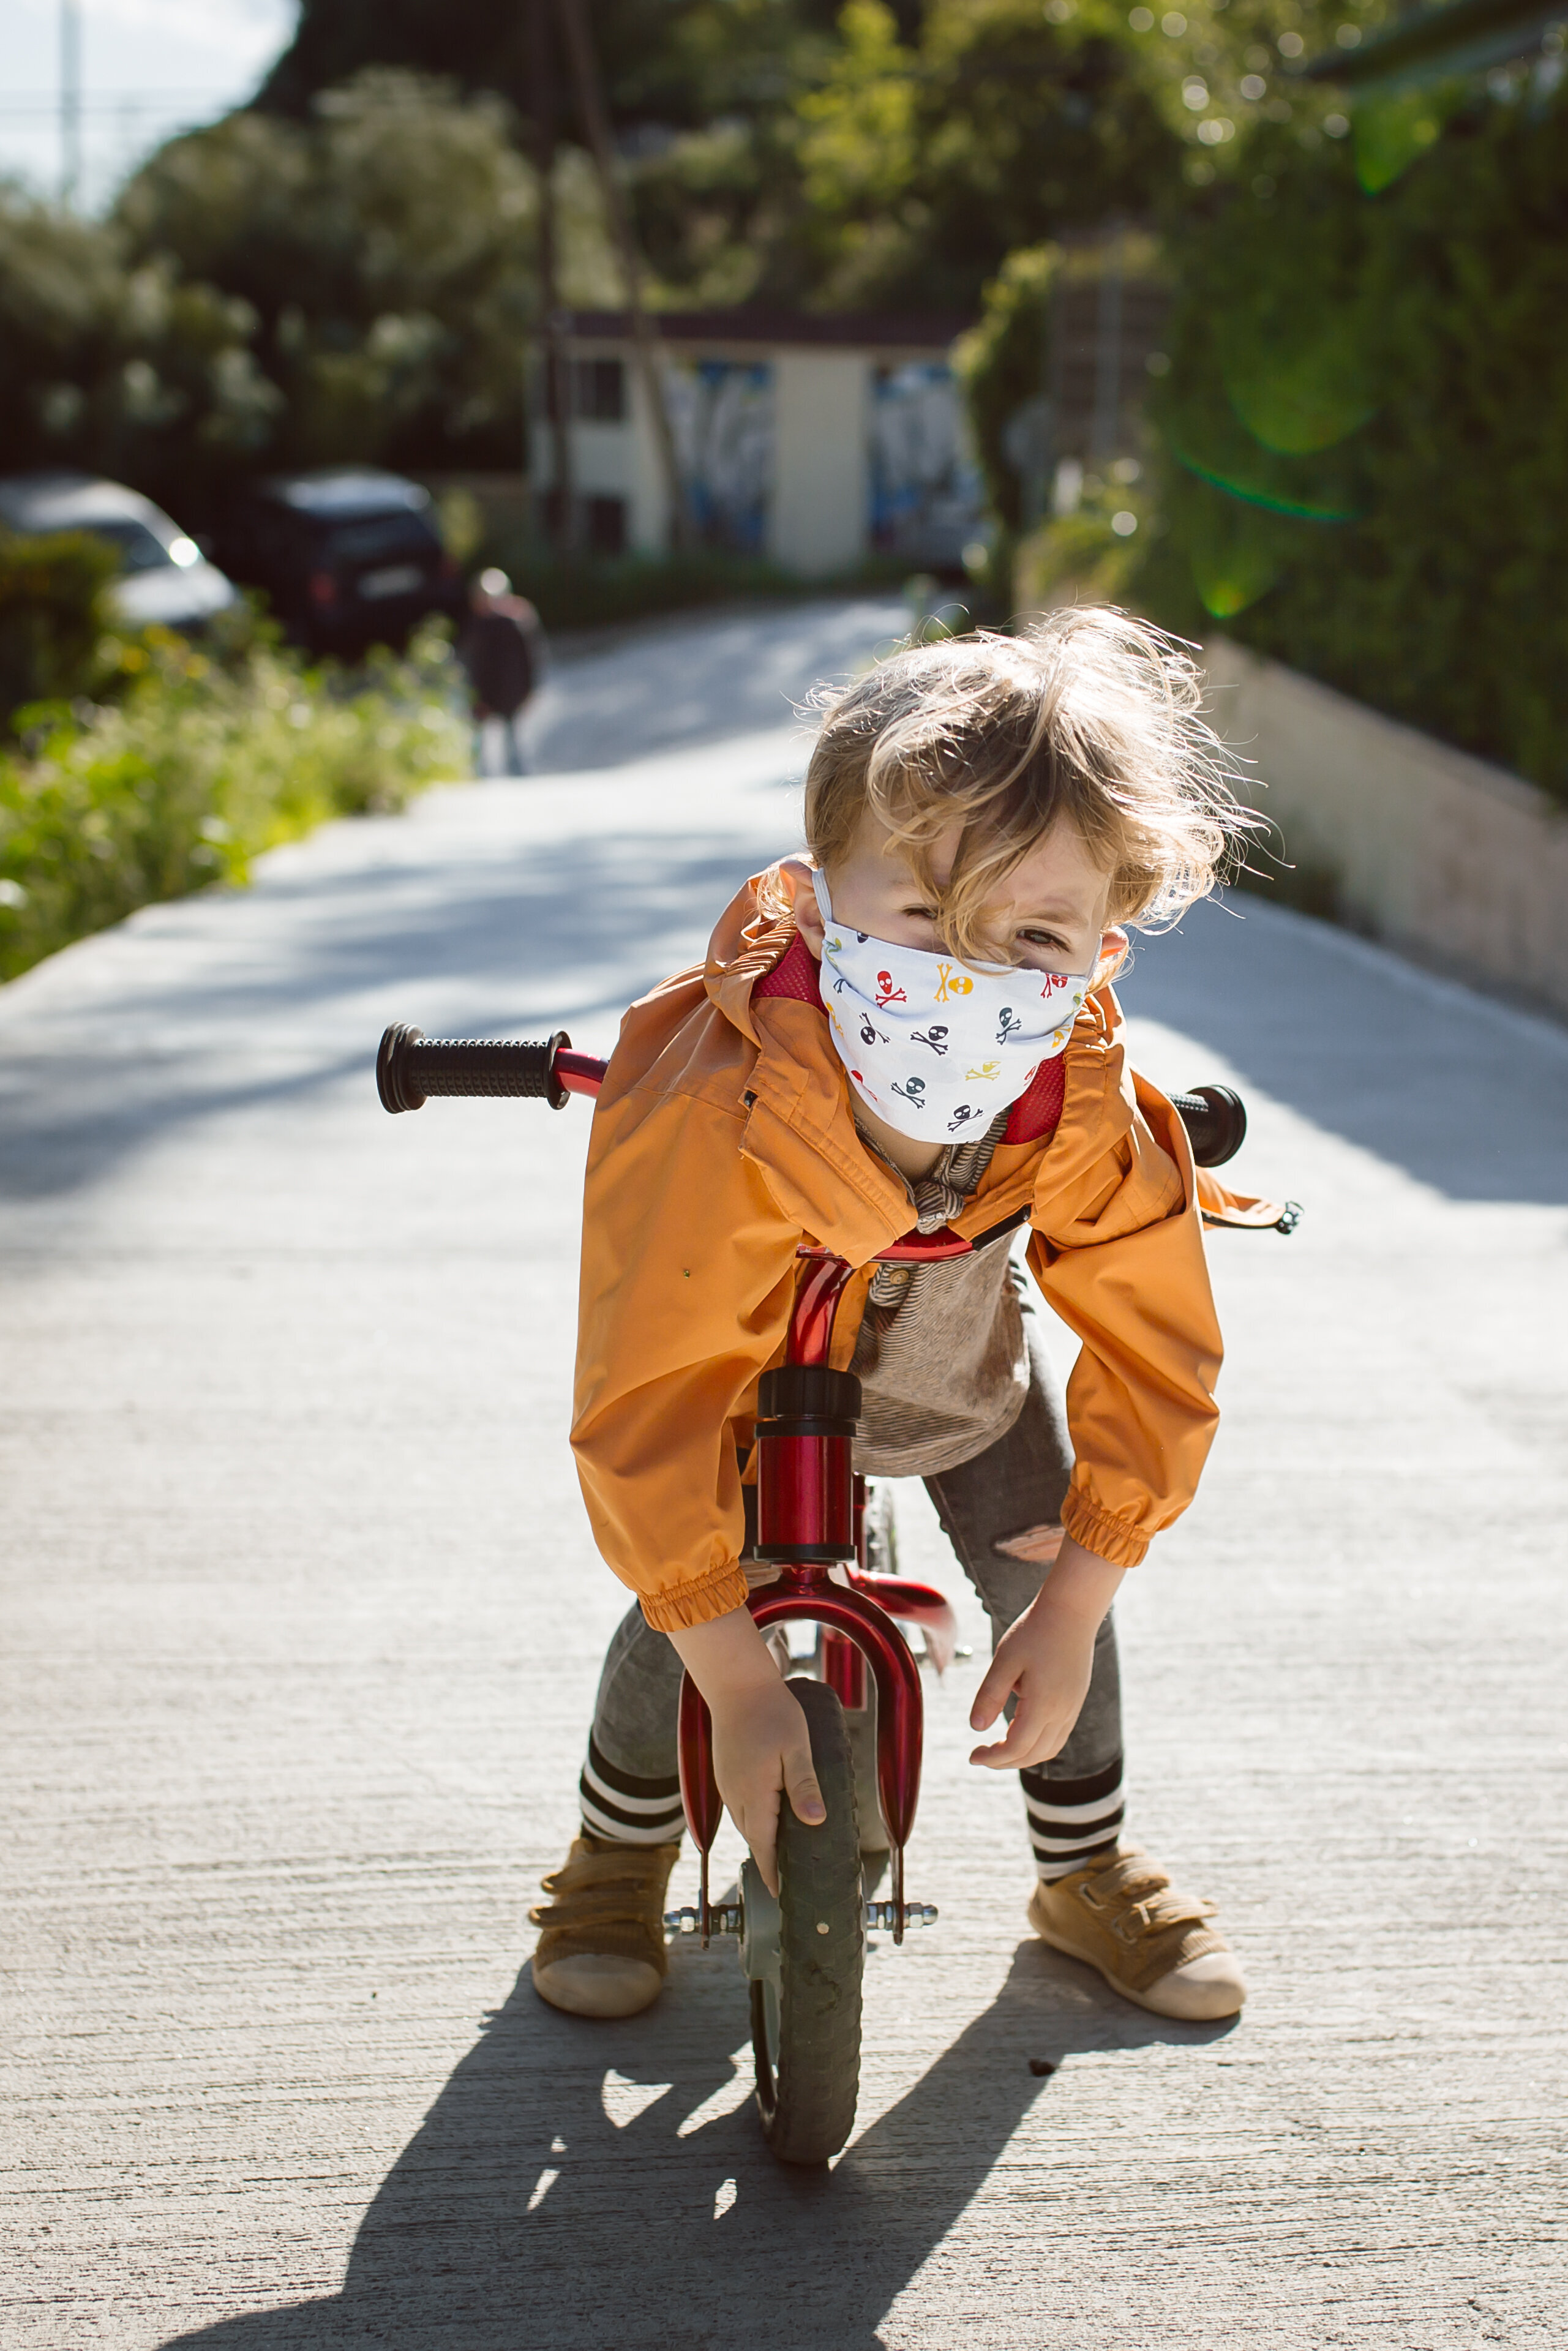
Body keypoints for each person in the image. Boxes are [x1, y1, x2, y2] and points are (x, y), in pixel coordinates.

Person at [527, 607, 1274, 2025]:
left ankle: (1084, 1863)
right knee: (688, 1596)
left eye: (1034, 933)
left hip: (961, 1389)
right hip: (752, 1402)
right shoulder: (715, 1096)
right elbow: (647, 1393)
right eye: (922, 915)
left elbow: (1150, 1336)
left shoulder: (1073, 1087)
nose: (970, 979)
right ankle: (612, 1855)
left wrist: (1077, 1589)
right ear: (813, 902)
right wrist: (738, 1681)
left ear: (1103, 948)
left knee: (1049, 1562)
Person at [459, 568, 544, 775]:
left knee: (513, 740)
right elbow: (473, 666)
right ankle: (481, 774)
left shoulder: (517, 622)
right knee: (482, 741)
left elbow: (530, 660)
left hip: (508, 694)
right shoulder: (477, 628)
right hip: (487, 696)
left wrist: (529, 689)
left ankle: (516, 774)